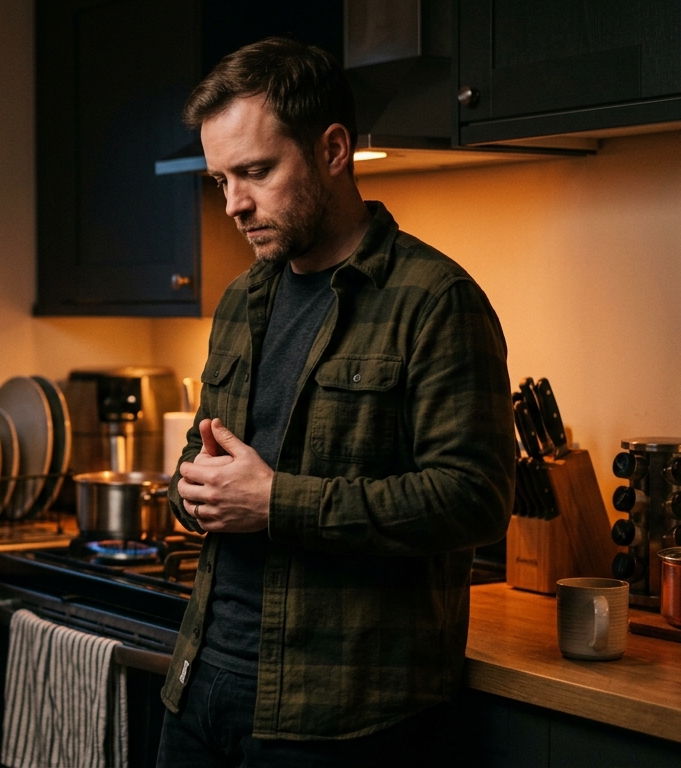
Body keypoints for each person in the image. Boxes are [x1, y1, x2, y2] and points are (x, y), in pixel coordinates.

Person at [157, 38, 515, 767]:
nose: (234, 204)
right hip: (199, 687)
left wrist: (276, 502)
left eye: (255, 172)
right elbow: (205, 460)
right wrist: (190, 490)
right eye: (221, 179)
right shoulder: (239, 300)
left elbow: (475, 498)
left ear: (332, 149)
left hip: (342, 716)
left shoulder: (434, 301)